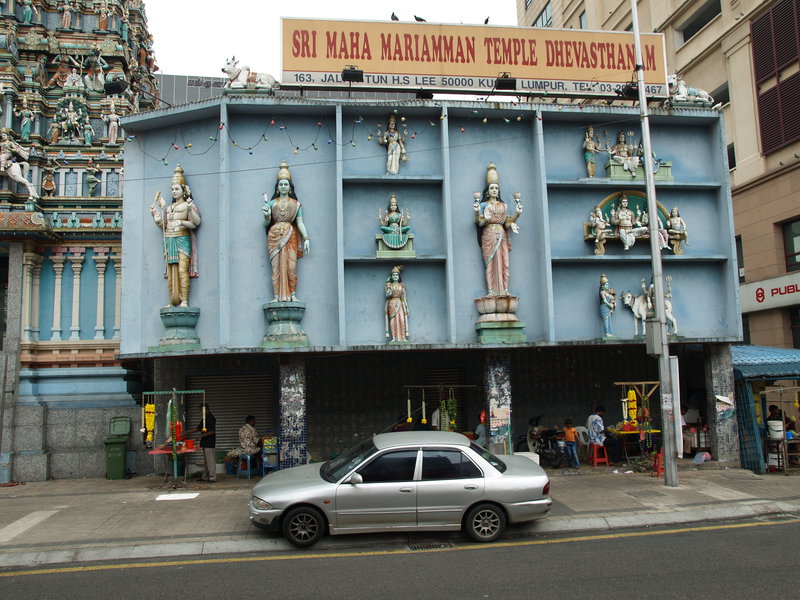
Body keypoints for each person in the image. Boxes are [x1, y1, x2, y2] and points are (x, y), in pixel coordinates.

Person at [150, 164, 201, 307]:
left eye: (176, 188)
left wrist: (183, 222)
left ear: (183, 189)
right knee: (171, 270)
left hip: (182, 238)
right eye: (172, 189)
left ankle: (184, 300)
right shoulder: (168, 208)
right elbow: (164, 226)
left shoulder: (187, 205)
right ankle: (173, 300)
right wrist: (156, 218)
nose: (174, 191)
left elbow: (196, 222)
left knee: (181, 270)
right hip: (169, 238)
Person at [473, 163, 523, 297]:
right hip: (489, 235)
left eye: (496, 188)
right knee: (490, 264)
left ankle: (505, 290)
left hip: (501, 236)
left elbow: (507, 223)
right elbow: (479, 222)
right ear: (487, 191)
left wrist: (517, 214)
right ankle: (491, 291)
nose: (494, 190)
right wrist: (482, 216)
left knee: (505, 263)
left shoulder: (504, 205)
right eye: (492, 188)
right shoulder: (483, 205)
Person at [263, 161, 310, 302]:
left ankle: (292, 295)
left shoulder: (296, 205)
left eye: (286, 184)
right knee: (276, 268)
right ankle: (277, 296)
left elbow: (300, 222)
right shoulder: (271, 204)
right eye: (281, 184)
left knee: (291, 267)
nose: (283, 187)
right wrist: (266, 215)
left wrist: (306, 238)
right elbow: (266, 223)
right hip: (274, 235)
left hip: (290, 235)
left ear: (290, 188)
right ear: (277, 188)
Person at [186, 404, 216, 483]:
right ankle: (205, 476)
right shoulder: (204, 418)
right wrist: (187, 432)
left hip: (209, 442)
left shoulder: (211, 418)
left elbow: (212, 431)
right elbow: (198, 428)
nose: (200, 412)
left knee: (210, 460)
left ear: (207, 409)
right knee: (206, 461)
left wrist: (201, 436)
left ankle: (212, 477)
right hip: (204, 442)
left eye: (201, 410)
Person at [385, 265, 409, 342]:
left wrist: (406, 306)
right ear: (391, 276)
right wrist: (388, 292)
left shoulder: (401, 285)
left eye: (396, 275)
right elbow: (387, 295)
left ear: (399, 276)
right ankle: (394, 337)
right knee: (392, 321)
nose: (395, 276)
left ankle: (403, 337)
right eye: (394, 275)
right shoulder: (389, 285)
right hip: (391, 303)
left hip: (400, 302)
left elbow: (404, 297)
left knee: (402, 320)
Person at [599, 273, 616, 338]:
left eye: (608, 284)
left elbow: (611, 298)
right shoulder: (602, 292)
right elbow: (605, 300)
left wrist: (613, 302)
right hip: (604, 307)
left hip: (608, 307)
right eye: (606, 284)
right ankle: (606, 333)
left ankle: (610, 333)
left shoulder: (607, 292)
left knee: (609, 320)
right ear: (602, 286)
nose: (608, 285)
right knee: (605, 320)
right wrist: (610, 305)